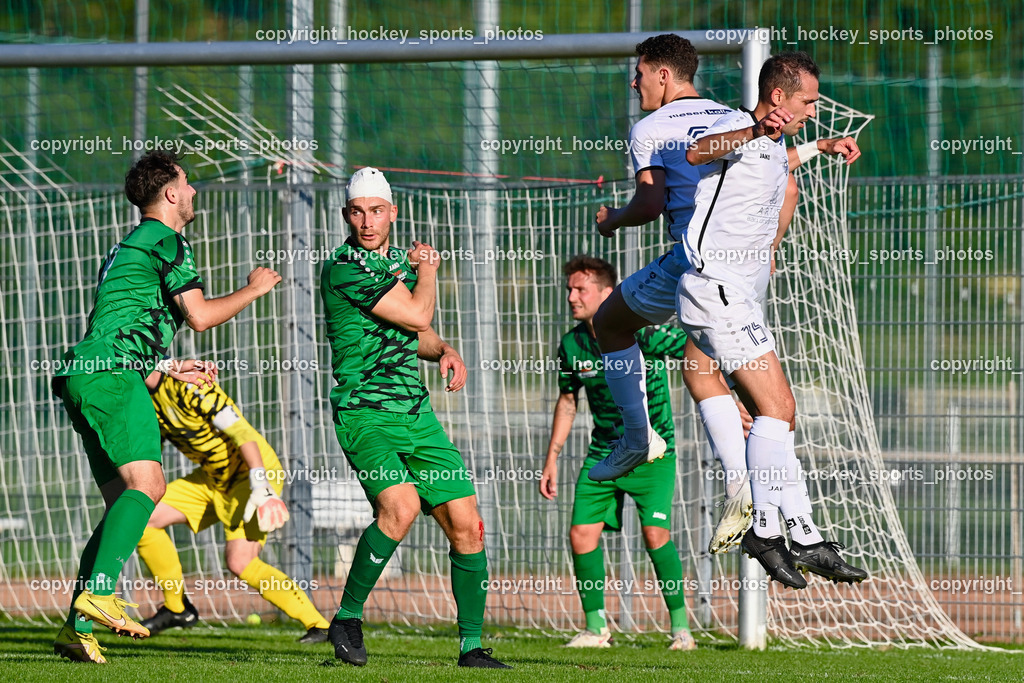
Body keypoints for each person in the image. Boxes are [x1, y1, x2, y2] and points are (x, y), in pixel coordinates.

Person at [51, 150, 281, 663]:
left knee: (121, 504)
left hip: (87, 373)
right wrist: (254, 288)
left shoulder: (129, 246)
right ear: (171, 193)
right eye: (188, 183)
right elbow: (198, 315)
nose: (195, 192)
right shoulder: (169, 239)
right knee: (150, 486)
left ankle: (76, 625)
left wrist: (167, 366)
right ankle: (101, 593)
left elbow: (120, 325)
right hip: (111, 375)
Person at [586, 33, 793, 556]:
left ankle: (638, 438)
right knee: (710, 374)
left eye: (638, 73)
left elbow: (652, 201)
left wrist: (613, 220)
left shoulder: (649, 128)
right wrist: (767, 245)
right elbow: (785, 183)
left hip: (690, 264)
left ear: (662, 74)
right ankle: (764, 503)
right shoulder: (732, 117)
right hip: (740, 269)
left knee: (609, 324)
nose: (633, 83)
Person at [681, 51, 866, 588]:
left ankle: (803, 533)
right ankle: (766, 529)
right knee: (778, 406)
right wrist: (751, 126)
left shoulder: (773, 142)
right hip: (715, 287)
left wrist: (820, 146)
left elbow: (774, 162)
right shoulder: (733, 124)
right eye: (809, 101)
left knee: (779, 414)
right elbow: (700, 151)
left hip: (731, 294)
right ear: (779, 96)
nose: (813, 109)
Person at [320, 167, 509, 669]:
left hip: (416, 414)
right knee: (400, 508)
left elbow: (414, 330)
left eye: (376, 211)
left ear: (392, 213)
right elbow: (418, 313)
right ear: (346, 215)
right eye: (357, 211)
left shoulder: (391, 273)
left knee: (468, 525)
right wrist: (428, 267)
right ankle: (347, 616)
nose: (367, 221)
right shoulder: (346, 267)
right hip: (365, 414)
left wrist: (444, 349)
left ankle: (471, 648)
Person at [540, 255, 696, 650]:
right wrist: (552, 458)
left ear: (607, 293)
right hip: (604, 454)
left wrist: (730, 392)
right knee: (580, 534)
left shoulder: (639, 331)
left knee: (655, 533)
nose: (572, 297)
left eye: (581, 289)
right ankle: (596, 630)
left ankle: (681, 630)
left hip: (653, 452)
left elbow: (691, 348)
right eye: (569, 289)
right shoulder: (571, 344)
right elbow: (568, 402)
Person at [135, 371, 330, 643]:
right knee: (142, 519)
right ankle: (177, 608)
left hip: (251, 474)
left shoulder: (190, 383)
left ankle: (319, 625)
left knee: (241, 561)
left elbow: (242, 432)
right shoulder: (142, 401)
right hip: (213, 478)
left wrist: (260, 484)